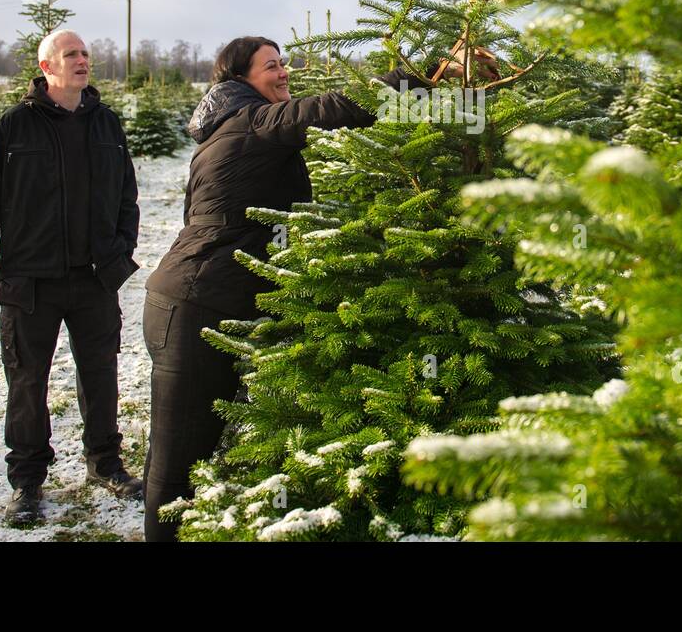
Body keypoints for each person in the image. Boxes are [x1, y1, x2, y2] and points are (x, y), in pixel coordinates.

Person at [140, 35, 467, 541]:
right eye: (271, 66)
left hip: (207, 296)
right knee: (179, 451)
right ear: (240, 78)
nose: (284, 72)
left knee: (200, 443)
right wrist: (429, 71)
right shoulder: (253, 121)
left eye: (283, 62)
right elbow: (337, 107)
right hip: (193, 305)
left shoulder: (233, 123)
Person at [0, 29, 143, 526]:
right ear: (47, 68)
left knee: (101, 374)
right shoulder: (14, 128)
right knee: (26, 383)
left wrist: (120, 248)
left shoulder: (107, 125)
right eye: (71, 54)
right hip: (29, 283)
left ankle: (105, 463)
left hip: (94, 280)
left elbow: (127, 196)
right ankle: (26, 482)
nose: (83, 60)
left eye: (86, 52)